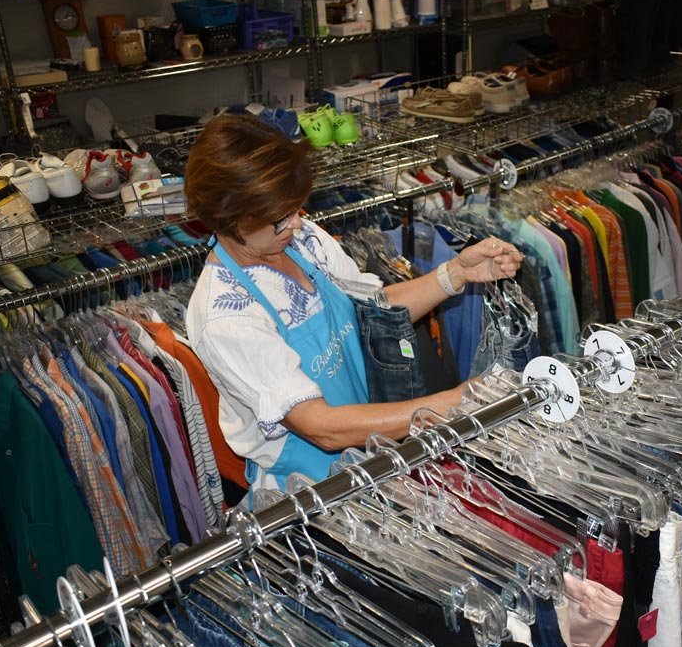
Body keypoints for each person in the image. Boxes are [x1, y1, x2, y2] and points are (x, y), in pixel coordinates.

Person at [184, 113, 525, 491]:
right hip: (316, 492)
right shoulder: (225, 316)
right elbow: (321, 428)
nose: (296, 223)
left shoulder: (302, 240)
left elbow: (374, 310)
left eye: (296, 209)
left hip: (376, 452)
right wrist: (456, 402)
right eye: (279, 218)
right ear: (230, 218)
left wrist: (457, 273)